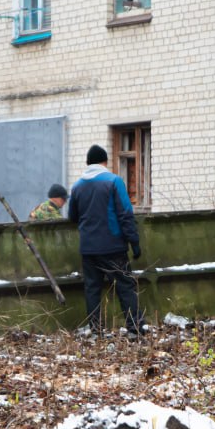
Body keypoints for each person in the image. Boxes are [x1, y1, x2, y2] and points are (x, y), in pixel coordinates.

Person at [67, 144, 144, 337]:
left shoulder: (77, 186)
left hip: (88, 249)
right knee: (125, 286)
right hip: (113, 247)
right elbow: (125, 213)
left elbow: (72, 216)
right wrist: (133, 242)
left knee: (92, 289)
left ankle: (96, 330)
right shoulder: (114, 181)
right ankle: (134, 328)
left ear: (87, 163)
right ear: (105, 162)